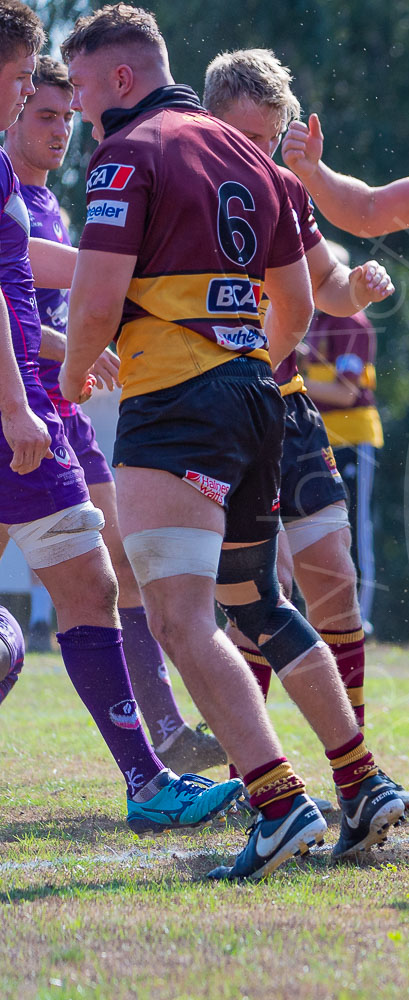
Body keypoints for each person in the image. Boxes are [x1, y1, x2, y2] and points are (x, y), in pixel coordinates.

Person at [59, 5, 403, 880]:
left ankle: (282, 802)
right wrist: (244, 361)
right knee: (257, 601)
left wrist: (69, 380)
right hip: (264, 401)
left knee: (178, 618)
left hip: (177, 408)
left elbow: (97, 301)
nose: (74, 104)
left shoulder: (128, 153)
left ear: (122, 80)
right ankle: (361, 780)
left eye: (82, 84)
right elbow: (298, 303)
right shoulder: (257, 160)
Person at [0, 0, 241, 837]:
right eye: (30, 88)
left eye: (64, 106)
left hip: (39, 410)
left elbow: (19, 291)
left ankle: (152, 763)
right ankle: (151, 768)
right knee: (100, 579)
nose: (54, 117)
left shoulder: (28, 192)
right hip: (23, 411)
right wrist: (20, 400)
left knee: (100, 578)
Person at [202, 47, 409, 811]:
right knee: (253, 594)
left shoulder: (287, 191)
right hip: (218, 408)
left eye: (269, 141)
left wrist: (354, 287)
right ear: (207, 123)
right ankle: (250, 769)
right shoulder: (184, 188)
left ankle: (353, 766)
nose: (256, 157)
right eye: (243, 140)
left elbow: (326, 285)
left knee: (334, 580)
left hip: (288, 405)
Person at [299, 246, 383, 630]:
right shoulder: (311, 318)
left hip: (351, 437)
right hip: (318, 436)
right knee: (314, 528)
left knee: (355, 527)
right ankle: (320, 615)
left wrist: (291, 380)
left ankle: (359, 619)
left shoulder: (352, 322)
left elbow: (346, 393)